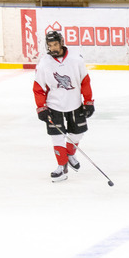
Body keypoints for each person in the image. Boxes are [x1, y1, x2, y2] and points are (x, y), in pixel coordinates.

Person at [34, 30, 94, 182]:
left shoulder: (76, 59)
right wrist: (41, 107)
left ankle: (70, 153)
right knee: (57, 137)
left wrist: (88, 101)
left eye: (55, 44)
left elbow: (85, 81)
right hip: (54, 105)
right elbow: (38, 87)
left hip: (75, 103)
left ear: (61, 42)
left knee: (78, 133)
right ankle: (62, 167)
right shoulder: (44, 63)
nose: (53, 48)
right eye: (50, 45)